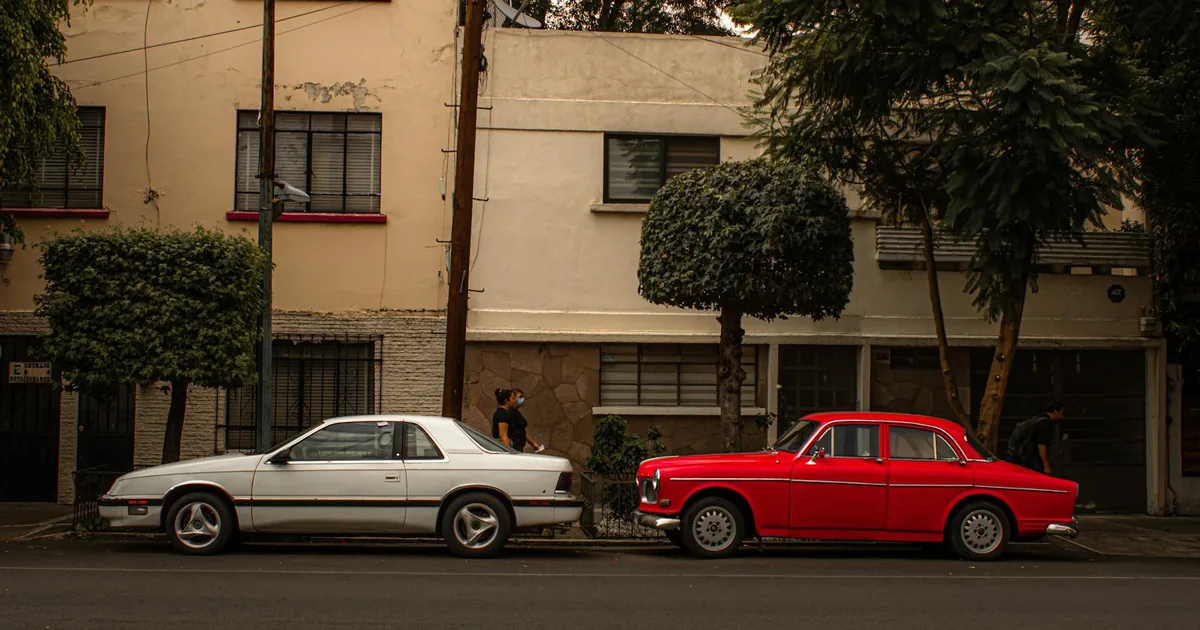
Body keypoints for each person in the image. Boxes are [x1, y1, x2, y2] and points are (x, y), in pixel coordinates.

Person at [1006, 401, 1064, 475]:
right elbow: (1041, 445)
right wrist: (1046, 466)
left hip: (1025, 458)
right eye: (1061, 413)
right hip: (1034, 461)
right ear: (1056, 411)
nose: (1062, 416)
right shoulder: (1045, 424)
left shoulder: (1037, 419)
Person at [491, 388, 545, 453]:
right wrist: (509, 452)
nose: (516, 400)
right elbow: (503, 435)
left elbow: (519, 430)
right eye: (513, 398)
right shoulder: (503, 414)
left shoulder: (506, 413)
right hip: (509, 448)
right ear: (506, 401)